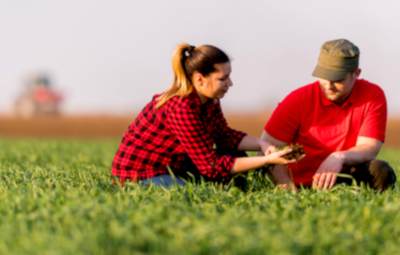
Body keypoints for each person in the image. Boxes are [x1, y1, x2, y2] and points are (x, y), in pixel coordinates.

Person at [112, 43, 300, 188]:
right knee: (196, 197)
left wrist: (262, 144)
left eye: (229, 76)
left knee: (235, 153)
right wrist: (266, 160)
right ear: (200, 79)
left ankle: (230, 192)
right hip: (141, 176)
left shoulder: (210, 100)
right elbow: (210, 165)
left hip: (176, 166)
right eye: (223, 78)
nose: (230, 83)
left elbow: (223, 136)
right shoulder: (182, 107)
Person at [259, 39, 397, 191]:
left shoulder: (372, 95)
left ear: (356, 74)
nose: (329, 85)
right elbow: (267, 150)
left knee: (380, 170)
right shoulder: (297, 100)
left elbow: (369, 148)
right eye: (324, 76)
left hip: (346, 177)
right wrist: (290, 190)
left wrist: (339, 156)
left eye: (338, 79)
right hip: (302, 184)